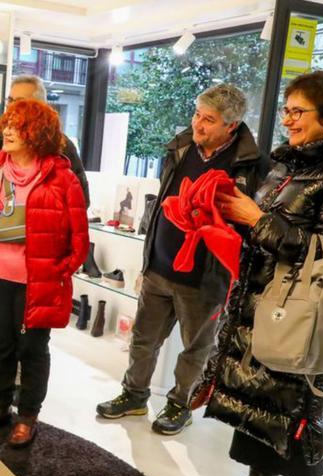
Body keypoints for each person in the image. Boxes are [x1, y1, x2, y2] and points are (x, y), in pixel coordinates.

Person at [202, 71, 323, 476]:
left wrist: (256, 220)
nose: (288, 119)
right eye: (286, 110)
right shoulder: (290, 164)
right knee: (262, 402)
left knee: (296, 411)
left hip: (307, 312)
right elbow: (270, 231)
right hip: (267, 301)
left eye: (298, 111)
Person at [95, 83, 270, 435]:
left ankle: (180, 404)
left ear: (230, 126)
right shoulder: (181, 146)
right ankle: (133, 395)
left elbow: (251, 221)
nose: (198, 125)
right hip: (161, 263)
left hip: (206, 276)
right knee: (144, 338)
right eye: (196, 115)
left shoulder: (251, 165)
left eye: (209, 120)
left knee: (196, 347)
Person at [0, 99, 89, 447]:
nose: (7, 130)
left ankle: (28, 415)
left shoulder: (61, 177)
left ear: (37, 133)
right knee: (0, 346)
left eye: (17, 126)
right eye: (7, 123)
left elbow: (79, 240)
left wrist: (57, 271)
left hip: (39, 281)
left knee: (33, 350)